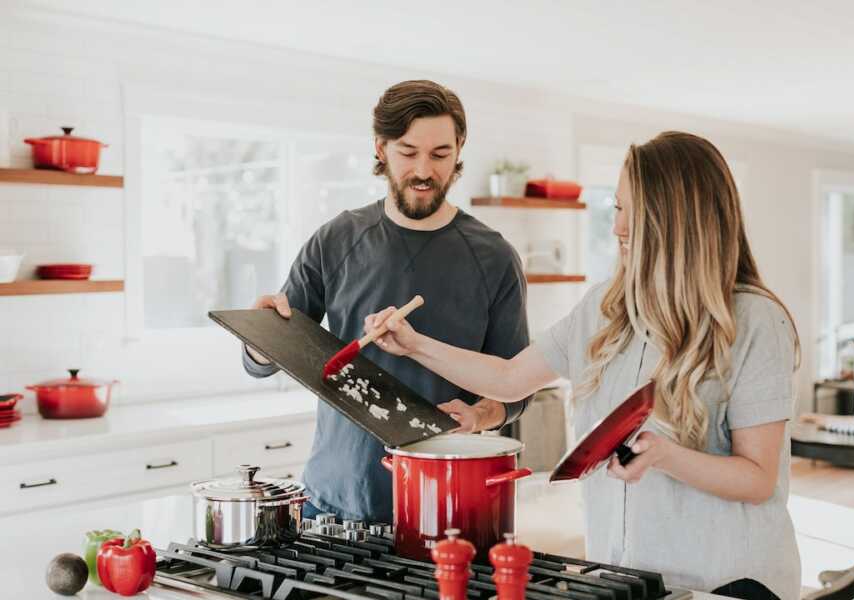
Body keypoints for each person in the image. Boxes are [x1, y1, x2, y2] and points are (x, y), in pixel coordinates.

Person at [366, 131, 801, 600]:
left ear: (678, 220)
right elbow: (510, 378)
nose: (617, 227)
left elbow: (758, 478)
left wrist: (665, 456)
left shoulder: (755, 320)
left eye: (632, 211)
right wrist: (413, 344)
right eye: (616, 208)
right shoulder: (605, 308)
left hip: (728, 582)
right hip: (626, 577)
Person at [242, 80, 532, 524]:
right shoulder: (336, 239)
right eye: (408, 152)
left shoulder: (494, 258)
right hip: (332, 502)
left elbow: (516, 389)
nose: (423, 170)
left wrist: (479, 414)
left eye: (439, 154)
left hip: (445, 505)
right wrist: (258, 341)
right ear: (381, 148)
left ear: (459, 150)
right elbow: (270, 353)